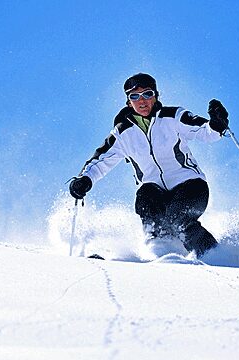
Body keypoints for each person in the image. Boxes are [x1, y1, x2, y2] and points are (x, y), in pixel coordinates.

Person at [69, 73, 229, 257]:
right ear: (129, 102)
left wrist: (216, 125)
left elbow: (204, 131)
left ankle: (215, 256)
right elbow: (101, 160)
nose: (142, 100)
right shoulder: (122, 133)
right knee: (146, 197)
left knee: (178, 220)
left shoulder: (173, 117)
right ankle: (161, 253)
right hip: (155, 192)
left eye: (147, 94)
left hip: (191, 186)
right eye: (134, 96)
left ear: (156, 96)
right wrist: (84, 179)